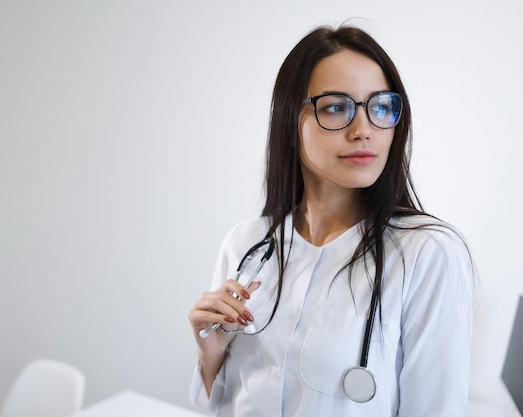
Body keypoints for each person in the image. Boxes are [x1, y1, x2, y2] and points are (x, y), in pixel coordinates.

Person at [187, 24, 475, 417]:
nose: (363, 131)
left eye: (380, 106)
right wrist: (210, 355)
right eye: (337, 107)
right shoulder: (245, 244)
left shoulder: (428, 254)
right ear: (290, 123)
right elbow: (217, 405)